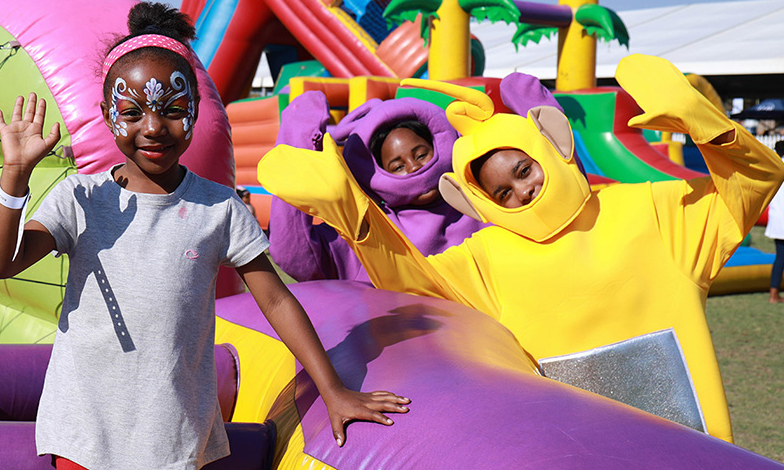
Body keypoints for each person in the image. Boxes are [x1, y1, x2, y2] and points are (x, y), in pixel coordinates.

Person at [257, 54, 784, 443]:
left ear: (549, 147)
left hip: (694, 449)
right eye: (501, 193)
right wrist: (356, 216)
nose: (522, 193)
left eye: (524, 170)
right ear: (480, 203)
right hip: (572, 449)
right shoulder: (489, 255)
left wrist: (706, 125)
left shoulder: (652, 210)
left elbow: (750, 187)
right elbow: (409, 283)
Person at [0, 2, 409, 470]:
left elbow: (276, 301)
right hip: (85, 432)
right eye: (132, 112)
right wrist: (15, 175)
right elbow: (2, 263)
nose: (152, 127)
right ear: (107, 114)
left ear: (195, 110)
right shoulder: (81, 198)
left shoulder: (218, 207)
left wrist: (334, 391)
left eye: (172, 110)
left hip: (175, 434)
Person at [268, 93, 484, 282]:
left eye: (421, 155)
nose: (414, 168)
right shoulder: (371, 230)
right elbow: (293, 254)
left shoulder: (479, 203)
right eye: (398, 166)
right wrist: (299, 139)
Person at [765, 140, 784, 303]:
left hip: (777, 217)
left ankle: (774, 293)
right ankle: (774, 294)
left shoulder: (773, 167)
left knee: (780, 257)